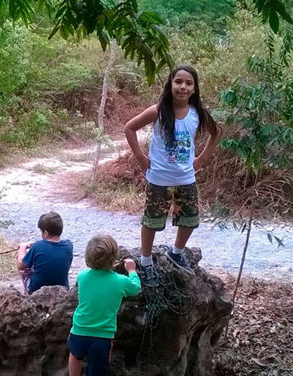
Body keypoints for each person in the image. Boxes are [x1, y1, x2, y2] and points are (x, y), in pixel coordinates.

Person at [124, 64, 221, 286]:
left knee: (189, 219)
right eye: (178, 82)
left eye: (188, 83)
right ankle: (146, 261)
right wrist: (141, 158)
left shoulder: (198, 114)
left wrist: (202, 159)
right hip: (158, 177)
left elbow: (216, 132)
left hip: (186, 177)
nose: (183, 87)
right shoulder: (158, 110)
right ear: (171, 84)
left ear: (194, 88)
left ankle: (176, 252)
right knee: (152, 221)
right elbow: (130, 128)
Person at [68, 235, 140, 376]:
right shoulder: (120, 281)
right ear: (114, 258)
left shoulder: (82, 276)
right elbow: (135, 288)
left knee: (75, 355)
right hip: (102, 337)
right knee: (98, 367)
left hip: (78, 331)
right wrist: (132, 271)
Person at [16, 211, 73, 295]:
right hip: (62, 289)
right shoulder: (69, 245)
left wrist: (22, 247)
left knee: (23, 261)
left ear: (46, 233)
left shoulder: (37, 246)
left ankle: (27, 294)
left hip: (37, 290)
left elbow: (21, 266)